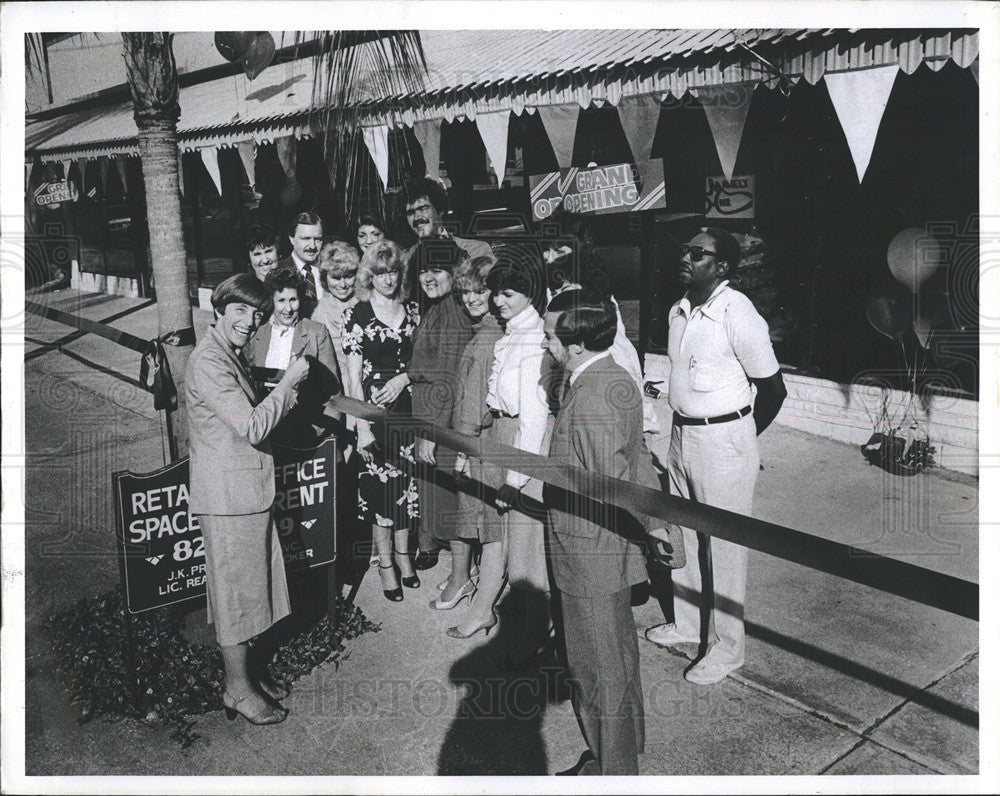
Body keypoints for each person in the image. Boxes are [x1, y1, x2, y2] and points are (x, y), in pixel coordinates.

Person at [542, 289, 683, 775]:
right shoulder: (615, 376)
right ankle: (622, 751)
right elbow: (638, 459)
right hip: (606, 548)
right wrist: (657, 525)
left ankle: (613, 771)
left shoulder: (591, 397)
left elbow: (611, 484)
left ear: (575, 344)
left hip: (588, 552)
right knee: (617, 657)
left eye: (549, 338)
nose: (546, 347)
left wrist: (654, 528)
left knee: (595, 667)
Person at [643, 228, 787, 685]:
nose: (685, 256)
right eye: (685, 249)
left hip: (723, 441)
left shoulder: (737, 312)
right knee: (681, 533)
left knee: (723, 550)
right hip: (681, 436)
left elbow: (773, 389)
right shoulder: (679, 309)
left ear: (722, 267)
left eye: (697, 253)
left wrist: (739, 438)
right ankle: (687, 626)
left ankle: (728, 649)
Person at [184, 273, 310, 726]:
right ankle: (236, 690)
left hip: (242, 491)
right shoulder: (208, 362)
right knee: (237, 596)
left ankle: (248, 676)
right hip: (228, 496)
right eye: (240, 310)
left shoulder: (225, 353)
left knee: (253, 591)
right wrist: (289, 384)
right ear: (218, 310)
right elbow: (253, 426)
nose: (250, 321)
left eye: (257, 314)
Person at [445, 246, 551, 661]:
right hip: (503, 435)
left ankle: (535, 634)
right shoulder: (512, 335)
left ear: (530, 292)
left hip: (523, 447)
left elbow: (535, 421)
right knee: (505, 537)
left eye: (508, 294)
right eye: (497, 293)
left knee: (527, 553)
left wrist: (515, 479)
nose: (498, 301)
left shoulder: (532, 339)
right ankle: (504, 618)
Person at [342, 241, 421, 601]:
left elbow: (420, 363)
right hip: (372, 414)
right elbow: (353, 379)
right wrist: (360, 427)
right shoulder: (357, 314)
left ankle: (405, 557)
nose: (387, 279)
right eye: (380, 272)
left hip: (408, 410)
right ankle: (386, 563)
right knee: (379, 491)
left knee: (407, 488)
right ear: (369, 275)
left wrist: (403, 378)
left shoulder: (413, 310)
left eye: (393, 271)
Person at [435, 254, 502, 610]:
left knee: (474, 513)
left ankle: (466, 584)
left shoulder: (486, 339)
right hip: (476, 437)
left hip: (477, 441)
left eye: (480, 291)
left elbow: (475, 404)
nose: (472, 298)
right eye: (466, 292)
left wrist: (462, 450)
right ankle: (466, 578)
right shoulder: (485, 331)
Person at [406, 238, 475, 573]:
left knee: (448, 501)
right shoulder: (437, 308)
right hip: (429, 415)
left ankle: (462, 576)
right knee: (435, 496)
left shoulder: (452, 314)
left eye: (436, 270)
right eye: (423, 271)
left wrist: (431, 434)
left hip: (439, 421)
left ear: (452, 272)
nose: (428, 278)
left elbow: (448, 378)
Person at [245, 266, 341, 447]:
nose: (288, 308)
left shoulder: (316, 332)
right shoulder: (256, 333)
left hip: (308, 432)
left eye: (293, 300)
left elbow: (332, 391)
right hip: (268, 433)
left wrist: (324, 435)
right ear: (271, 302)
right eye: (281, 300)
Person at [402, 176, 492, 262]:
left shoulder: (476, 250)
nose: (417, 217)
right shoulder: (404, 259)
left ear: (440, 210)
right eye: (410, 213)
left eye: (423, 209)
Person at [314, 240, 361, 378]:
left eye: (348, 276)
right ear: (325, 278)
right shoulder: (319, 312)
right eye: (336, 278)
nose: (343, 284)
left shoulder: (366, 301)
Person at [278, 211, 324, 312]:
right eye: (306, 238)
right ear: (292, 239)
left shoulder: (330, 269)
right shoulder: (278, 271)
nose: (312, 246)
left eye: (318, 239)